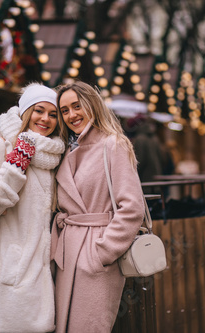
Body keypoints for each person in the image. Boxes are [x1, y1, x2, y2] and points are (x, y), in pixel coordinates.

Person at [0, 83, 65, 332]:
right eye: (38, 110)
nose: (45, 119)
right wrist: (15, 168)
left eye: (53, 114)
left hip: (44, 273)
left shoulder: (52, 159)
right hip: (9, 271)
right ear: (25, 111)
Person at [51, 81, 144, 332]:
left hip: (96, 253)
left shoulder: (113, 144)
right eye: (64, 110)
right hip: (68, 254)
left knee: (91, 326)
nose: (71, 115)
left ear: (92, 104)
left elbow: (132, 207)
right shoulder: (68, 149)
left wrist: (101, 253)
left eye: (77, 106)